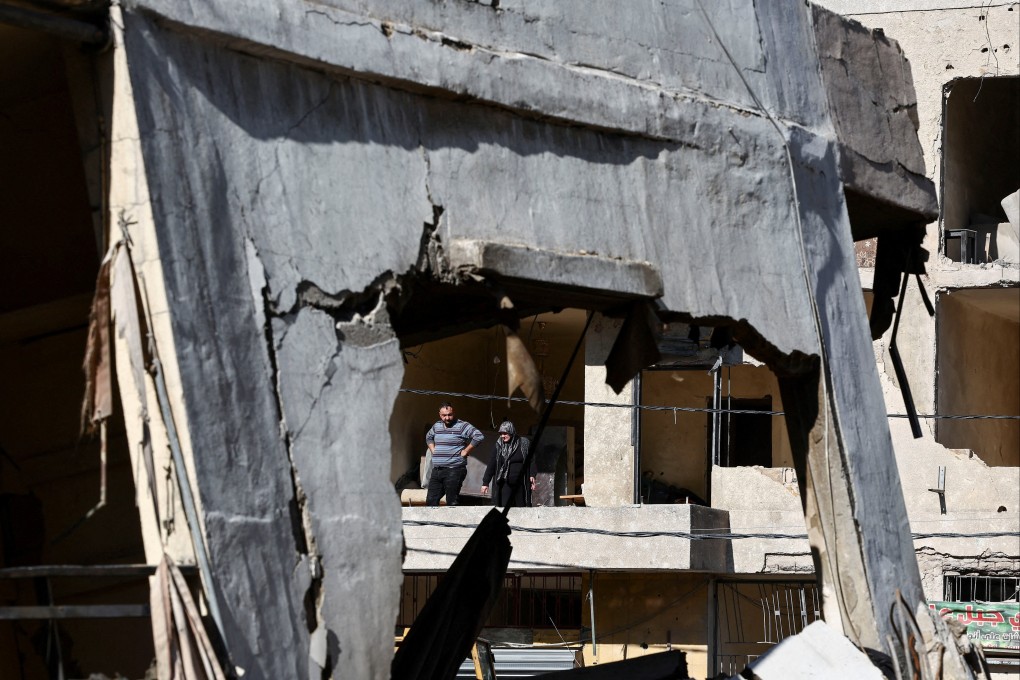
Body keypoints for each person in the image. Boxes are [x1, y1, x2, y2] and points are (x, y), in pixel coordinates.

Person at [424, 402, 484, 507]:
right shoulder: (437, 426)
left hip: (454, 470)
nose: (447, 418)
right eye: (444, 415)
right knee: (431, 501)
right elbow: (429, 437)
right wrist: (433, 450)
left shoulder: (462, 425)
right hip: (437, 470)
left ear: (454, 413)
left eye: (450, 415)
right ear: (439, 415)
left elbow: (479, 436)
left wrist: (466, 451)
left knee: (452, 502)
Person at [481, 420, 536, 508]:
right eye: (501, 434)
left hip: (521, 483)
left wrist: (532, 474)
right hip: (505, 482)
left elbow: (531, 460)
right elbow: (492, 463)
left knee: (521, 507)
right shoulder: (499, 445)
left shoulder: (524, 443)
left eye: (505, 433)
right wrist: (485, 482)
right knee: (504, 507)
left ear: (511, 432)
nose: (502, 436)